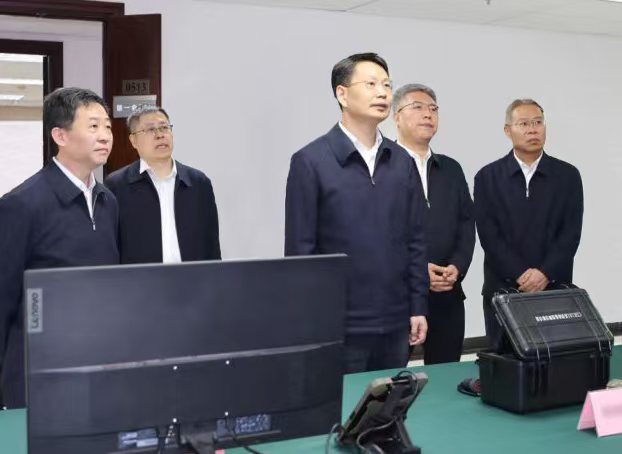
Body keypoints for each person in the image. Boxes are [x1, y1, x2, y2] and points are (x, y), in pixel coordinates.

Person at [285, 53, 429, 373]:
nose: (383, 93)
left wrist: (418, 306)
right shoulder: (311, 161)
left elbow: (416, 241)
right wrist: (310, 321)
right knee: (344, 404)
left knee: (391, 401)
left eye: (387, 85)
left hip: (396, 322)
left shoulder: (402, 161)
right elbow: (301, 253)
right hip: (338, 325)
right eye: (371, 84)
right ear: (342, 94)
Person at [0, 87, 119, 407]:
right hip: (38, 374)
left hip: (98, 366)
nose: (105, 136)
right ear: (60, 136)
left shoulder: (108, 201)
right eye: (93, 126)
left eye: (107, 126)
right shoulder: (21, 204)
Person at [474, 98, 583, 346]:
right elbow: (489, 236)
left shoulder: (567, 175)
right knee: (504, 363)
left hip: (554, 289)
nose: (533, 130)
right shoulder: (488, 177)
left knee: (555, 361)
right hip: (503, 291)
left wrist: (544, 274)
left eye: (538, 122)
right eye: (524, 124)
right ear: (507, 130)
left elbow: (570, 234)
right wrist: (521, 275)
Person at [393, 83, 475, 364]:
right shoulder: (382, 166)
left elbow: (466, 224)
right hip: (399, 296)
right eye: (417, 107)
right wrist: (418, 271)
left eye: (433, 109)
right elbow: (379, 235)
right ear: (397, 117)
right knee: (390, 379)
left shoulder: (451, 168)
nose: (428, 114)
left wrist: (457, 267)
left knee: (447, 376)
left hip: (448, 293)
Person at [105, 105, 220, 264]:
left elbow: (212, 245)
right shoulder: (116, 186)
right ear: (133, 140)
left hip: (192, 277)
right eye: (150, 129)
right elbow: (111, 247)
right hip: (141, 278)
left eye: (164, 127)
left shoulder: (199, 183)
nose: (160, 135)